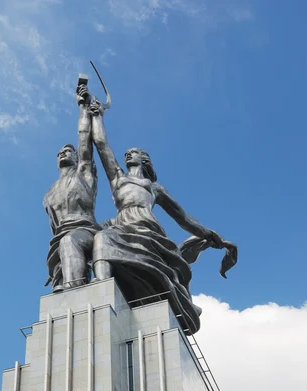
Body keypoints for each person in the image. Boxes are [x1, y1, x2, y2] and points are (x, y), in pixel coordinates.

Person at [89, 98, 237, 334]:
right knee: (102, 239)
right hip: (122, 226)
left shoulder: (154, 187)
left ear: (144, 160)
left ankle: (179, 298)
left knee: (166, 272)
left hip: (148, 230)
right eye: (126, 153)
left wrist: (210, 235)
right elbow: (101, 144)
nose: (128, 155)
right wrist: (96, 116)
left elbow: (183, 218)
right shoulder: (117, 178)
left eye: (133, 153)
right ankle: (101, 288)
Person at [43, 83, 100, 292]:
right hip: (59, 239)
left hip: (85, 230)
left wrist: (83, 107)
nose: (62, 153)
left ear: (77, 157)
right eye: (59, 152)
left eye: (68, 150)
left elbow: (84, 137)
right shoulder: (49, 194)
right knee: (64, 244)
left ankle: (74, 295)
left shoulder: (83, 174)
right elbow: (53, 225)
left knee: (69, 242)